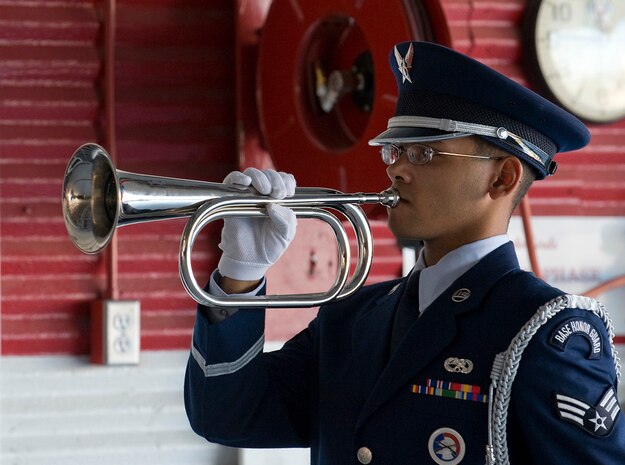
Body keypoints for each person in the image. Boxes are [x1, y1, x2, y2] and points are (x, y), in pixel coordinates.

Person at [184, 41, 625, 464]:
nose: (397, 168)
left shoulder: (544, 334)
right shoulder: (351, 319)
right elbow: (225, 415)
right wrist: (241, 271)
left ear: (503, 179)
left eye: (423, 152)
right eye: (395, 151)